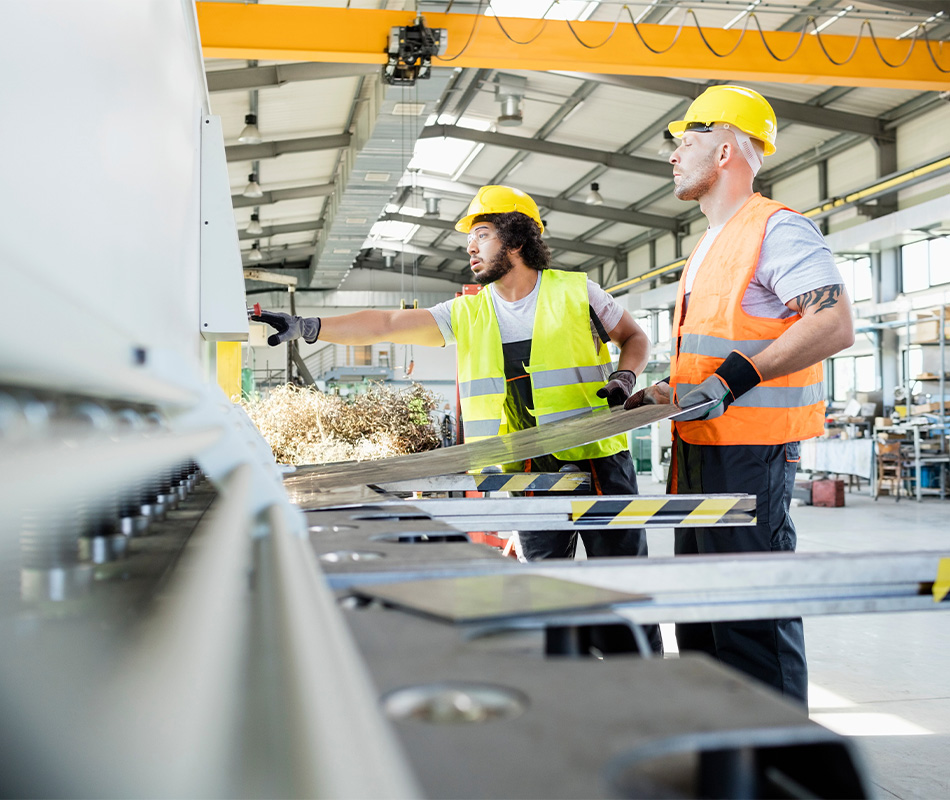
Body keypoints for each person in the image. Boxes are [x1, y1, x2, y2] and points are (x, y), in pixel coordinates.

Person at [253, 184, 662, 654]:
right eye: (470, 237)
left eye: (482, 233)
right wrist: (310, 327)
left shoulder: (577, 291)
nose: (470, 246)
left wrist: (626, 377)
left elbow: (634, 336)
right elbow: (387, 325)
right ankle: (569, 683)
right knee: (546, 592)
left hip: (598, 461)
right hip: (526, 472)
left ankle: (639, 677)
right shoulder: (467, 312)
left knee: (622, 588)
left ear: (516, 238)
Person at [627, 85, 855, 702]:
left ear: (726, 148)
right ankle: (722, 756)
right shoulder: (705, 246)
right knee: (701, 618)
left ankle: (778, 767)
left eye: (688, 141)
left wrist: (733, 380)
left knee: (752, 617)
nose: (674, 155)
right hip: (697, 452)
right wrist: (666, 391)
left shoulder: (776, 228)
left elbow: (833, 322)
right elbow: (710, 354)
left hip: (750, 458)